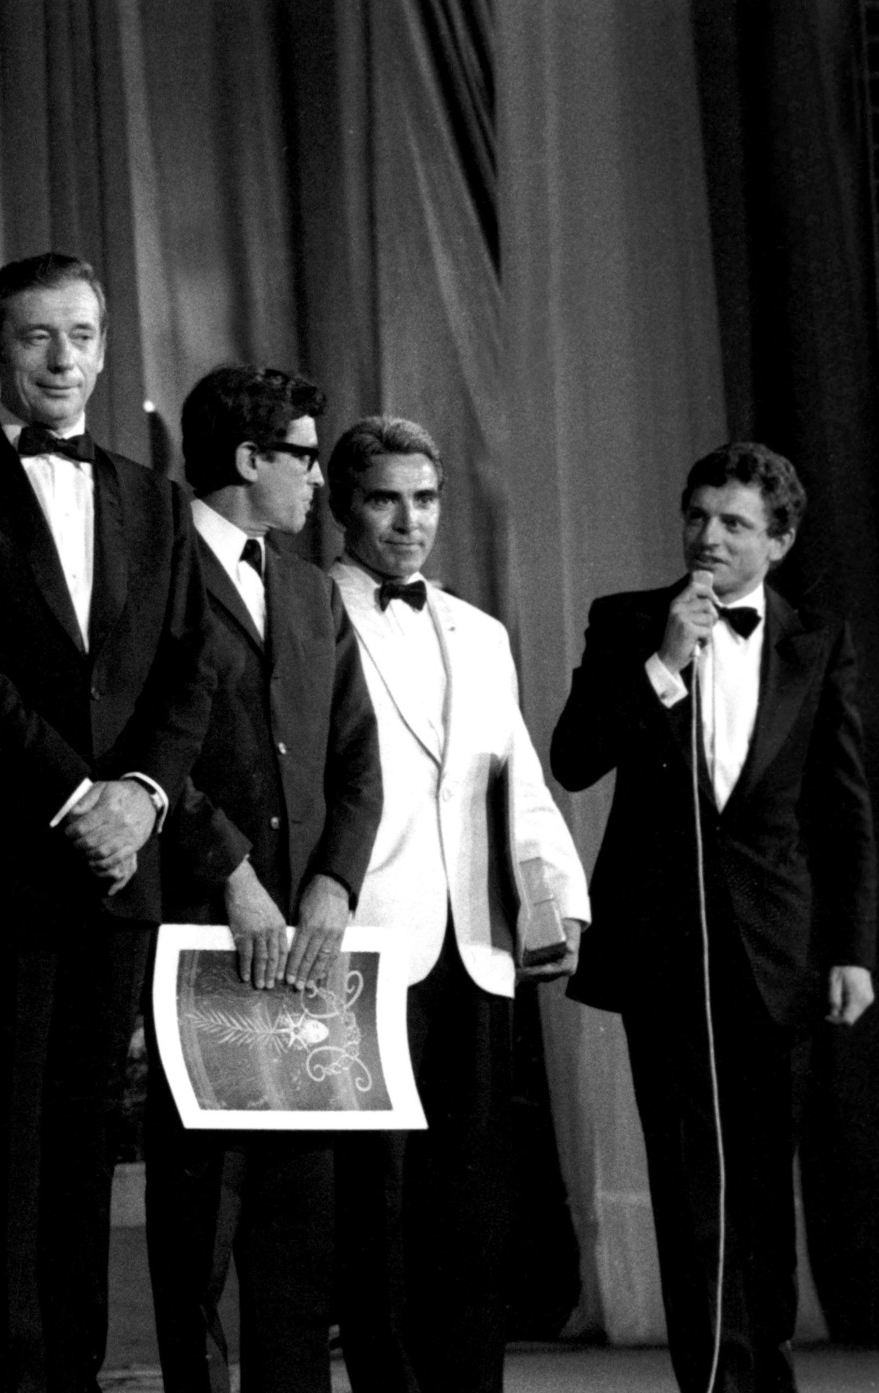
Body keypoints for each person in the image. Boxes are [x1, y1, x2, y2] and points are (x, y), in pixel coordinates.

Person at [0, 252, 210, 1393]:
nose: (62, 359)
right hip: (8, 863)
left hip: (122, 870)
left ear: (106, 345)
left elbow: (189, 674)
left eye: (80, 334)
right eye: (35, 337)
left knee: (82, 1151)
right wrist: (77, 795)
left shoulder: (156, 496)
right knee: (0, 1152)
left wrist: (141, 799)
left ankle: (71, 1375)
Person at [551, 442, 876, 1393]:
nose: (708, 537)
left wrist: (853, 949)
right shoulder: (627, 622)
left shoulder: (818, 639)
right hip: (665, 945)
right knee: (691, 1173)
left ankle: (762, 1364)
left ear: (778, 539)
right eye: (698, 515)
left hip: (780, 947)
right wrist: (662, 663)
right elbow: (573, 758)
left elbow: (843, 807)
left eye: (734, 522)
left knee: (763, 1171)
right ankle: (712, 1378)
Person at [323, 416, 586, 1393]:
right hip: (360, 938)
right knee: (374, 1202)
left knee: (470, 1200)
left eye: (423, 499)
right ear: (344, 505)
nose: (407, 521)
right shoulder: (309, 612)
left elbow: (509, 775)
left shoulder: (478, 631)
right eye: (385, 498)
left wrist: (555, 901)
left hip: (473, 941)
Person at [146, 364, 381, 1393]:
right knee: (198, 1212)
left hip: (304, 942)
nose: (317, 480)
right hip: (194, 924)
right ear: (248, 461)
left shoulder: (309, 588)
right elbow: (139, 746)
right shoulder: (148, 567)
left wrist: (331, 881)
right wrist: (229, 869)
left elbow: (354, 759)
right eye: (301, 454)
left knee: (300, 1220)